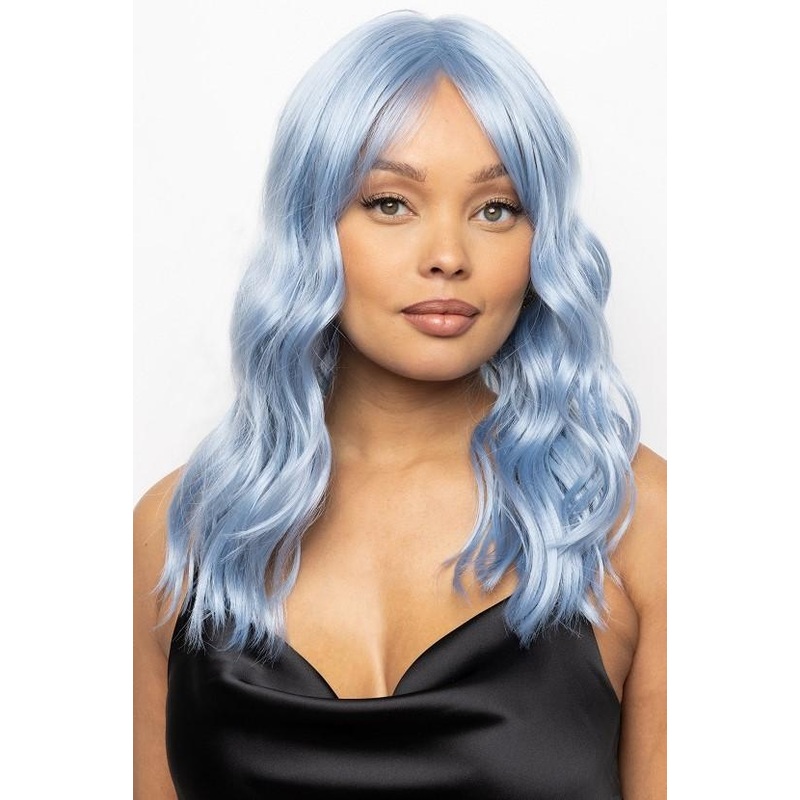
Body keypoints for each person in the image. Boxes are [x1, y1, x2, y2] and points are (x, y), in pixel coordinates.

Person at [134, 11, 666, 799]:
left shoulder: (633, 520)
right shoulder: (179, 530)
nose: (448, 255)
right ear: (312, 226)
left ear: (541, 243)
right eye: (391, 203)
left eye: (497, 208)